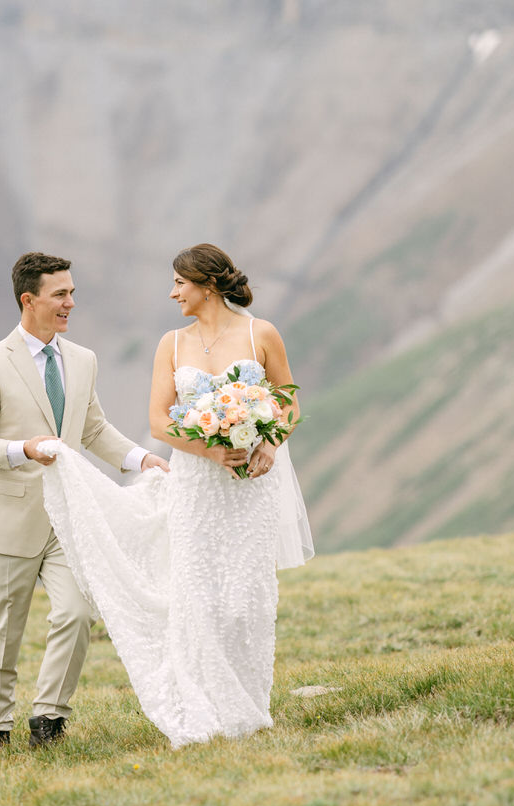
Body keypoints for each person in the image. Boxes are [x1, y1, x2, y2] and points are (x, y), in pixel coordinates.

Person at [38, 243, 313, 747]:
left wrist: (270, 443)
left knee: (245, 597)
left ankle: (248, 704)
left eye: (180, 284)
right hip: (195, 484)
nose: (173, 293)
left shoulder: (261, 333)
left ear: (206, 285)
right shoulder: (171, 343)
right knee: (199, 594)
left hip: (252, 484)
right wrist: (209, 452)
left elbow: (288, 401)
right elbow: (159, 421)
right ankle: (202, 702)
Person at [0, 252, 168, 748]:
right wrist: (20, 449)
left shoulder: (82, 359)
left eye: (72, 292)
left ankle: (49, 718)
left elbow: (92, 428)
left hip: (69, 515)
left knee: (76, 612)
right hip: (8, 515)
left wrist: (141, 460)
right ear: (29, 300)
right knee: (3, 628)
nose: (71, 302)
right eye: (61, 294)